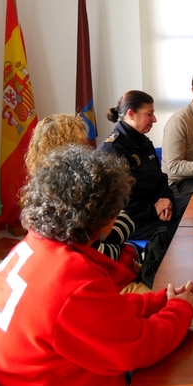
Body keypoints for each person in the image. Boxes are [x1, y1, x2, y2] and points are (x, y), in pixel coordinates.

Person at [0, 144, 193, 386]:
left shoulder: (30, 246)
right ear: (102, 216)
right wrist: (181, 309)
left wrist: (160, 301)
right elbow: (139, 348)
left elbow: (100, 313)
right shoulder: (72, 279)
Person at [26, 114, 144, 292]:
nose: (88, 150)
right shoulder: (63, 197)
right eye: (81, 144)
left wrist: (107, 239)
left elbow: (126, 222)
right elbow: (97, 252)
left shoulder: (40, 191)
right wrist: (114, 244)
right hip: (94, 279)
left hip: (105, 266)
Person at [99, 90, 186, 240]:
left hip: (155, 206)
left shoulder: (144, 142)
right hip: (133, 220)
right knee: (184, 231)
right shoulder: (112, 150)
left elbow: (159, 178)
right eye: (149, 114)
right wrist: (153, 210)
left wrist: (165, 199)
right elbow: (118, 202)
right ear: (131, 114)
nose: (154, 119)